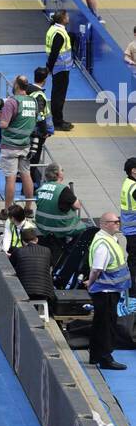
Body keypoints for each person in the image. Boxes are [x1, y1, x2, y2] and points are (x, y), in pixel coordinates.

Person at [87, 211, 129, 370]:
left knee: (100, 323)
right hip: (105, 292)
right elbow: (97, 269)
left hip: (109, 290)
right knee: (106, 325)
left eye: (118, 221)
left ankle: (95, 355)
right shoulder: (103, 244)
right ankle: (105, 357)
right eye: (114, 222)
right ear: (104, 224)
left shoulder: (110, 239)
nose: (117, 224)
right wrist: (90, 283)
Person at [0, 75, 38, 211]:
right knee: (26, 176)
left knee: (10, 178)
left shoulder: (11, 102)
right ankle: (28, 208)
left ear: (15, 85)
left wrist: (0, 115)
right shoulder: (34, 101)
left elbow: (4, 124)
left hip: (10, 146)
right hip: (26, 146)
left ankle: (7, 210)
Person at [34, 163, 83, 252]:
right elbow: (77, 206)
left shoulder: (40, 188)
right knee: (85, 228)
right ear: (58, 174)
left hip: (43, 226)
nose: (63, 172)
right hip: (61, 228)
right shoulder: (63, 189)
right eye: (62, 170)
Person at [44, 9, 73, 130]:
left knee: (56, 94)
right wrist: (49, 68)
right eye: (67, 16)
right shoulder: (59, 34)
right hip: (60, 69)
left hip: (58, 68)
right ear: (63, 19)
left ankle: (57, 119)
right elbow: (54, 52)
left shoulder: (53, 28)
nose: (68, 17)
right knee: (59, 96)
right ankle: (58, 121)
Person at [120, 157, 136, 288]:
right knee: (134, 262)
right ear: (134, 171)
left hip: (129, 230)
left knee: (133, 260)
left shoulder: (128, 183)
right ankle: (133, 290)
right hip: (134, 231)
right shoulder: (134, 188)